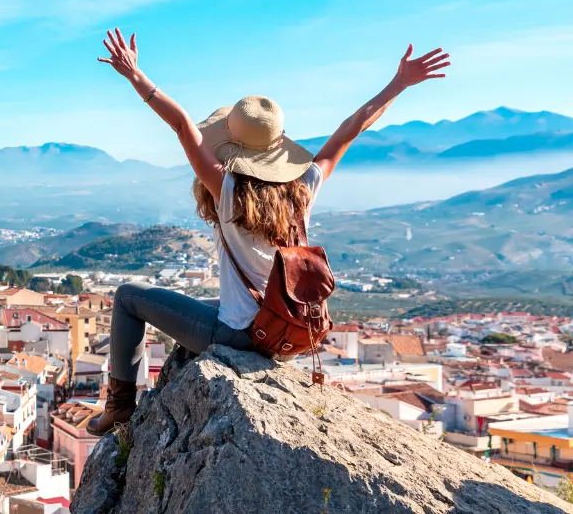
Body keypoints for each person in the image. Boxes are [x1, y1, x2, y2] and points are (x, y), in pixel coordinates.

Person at [87, 29, 450, 436]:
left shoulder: (226, 190)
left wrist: (135, 74)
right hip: (283, 332)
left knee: (128, 296)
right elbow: (351, 129)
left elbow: (182, 125)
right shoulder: (303, 190)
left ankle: (119, 407)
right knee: (194, 300)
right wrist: (398, 84)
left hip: (239, 335)